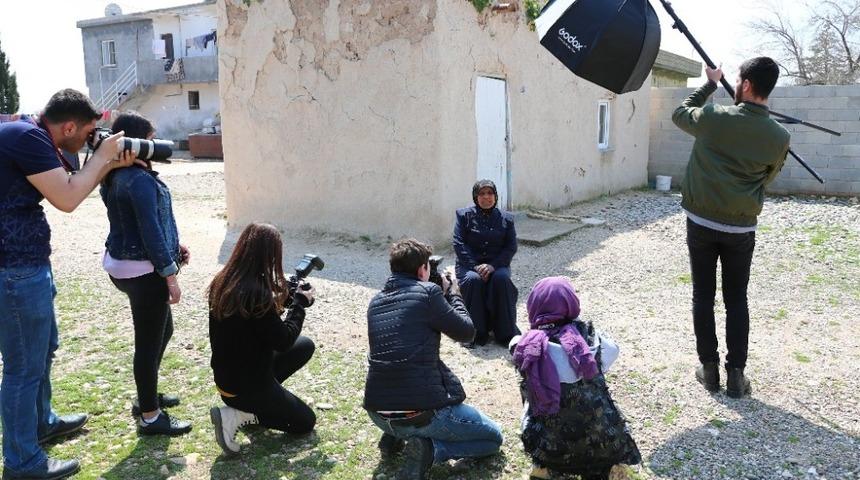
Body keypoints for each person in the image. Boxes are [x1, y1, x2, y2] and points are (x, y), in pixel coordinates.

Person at [0, 89, 135, 479]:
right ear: (69, 126)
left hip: (26, 264)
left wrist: (101, 161)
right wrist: (104, 158)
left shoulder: (31, 136)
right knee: (22, 367)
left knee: (43, 351)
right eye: (89, 133)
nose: (91, 140)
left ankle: (41, 422)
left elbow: (73, 179)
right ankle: (23, 462)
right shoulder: (28, 138)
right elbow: (69, 196)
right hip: (15, 269)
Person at [672, 57, 790, 398]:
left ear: (748, 85)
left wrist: (710, 84)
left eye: (738, 80)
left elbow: (680, 113)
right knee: (737, 298)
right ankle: (736, 375)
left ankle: (709, 370)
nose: (735, 84)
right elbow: (767, 178)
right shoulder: (780, 137)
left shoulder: (714, 117)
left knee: (703, 295)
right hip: (741, 229)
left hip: (701, 222)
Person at [364, 238, 502, 480]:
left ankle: (396, 436)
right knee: (493, 439)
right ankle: (431, 449)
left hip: (377, 413)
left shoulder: (375, 302)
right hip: (421, 415)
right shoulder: (428, 293)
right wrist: (454, 293)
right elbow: (467, 332)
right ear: (422, 270)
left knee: (403, 366)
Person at [100, 111, 191, 435]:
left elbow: (141, 225)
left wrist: (174, 247)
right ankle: (149, 415)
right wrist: (170, 276)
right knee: (148, 344)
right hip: (144, 271)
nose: (156, 147)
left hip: (125, 266)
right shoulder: (138, 180)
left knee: (163, 332)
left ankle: (147, 393)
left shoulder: (114, 176)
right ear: (136, 144)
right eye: (150, 140)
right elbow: (150, 232)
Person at [511, 277, 640, 480]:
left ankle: (545, 469)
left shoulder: (524, 347)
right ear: (571, 304)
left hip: (549, 447)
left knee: (530, 402)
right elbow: (614, 349)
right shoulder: (593, 342)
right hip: (603, 444)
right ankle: (603, 470)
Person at [208, 223, 317, 456]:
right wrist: (299, 305)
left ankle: (261, 402)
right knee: (305, 422)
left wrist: (283, 298)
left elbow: (255, 325)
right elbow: (283, 340)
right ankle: (240, 414)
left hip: (228, 379)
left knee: (305, 345)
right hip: (247, 387)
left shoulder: (224, 281)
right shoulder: (257, 295)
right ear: (269, 256)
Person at [453, 179, 520, 347]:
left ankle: (505, 333)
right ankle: (476, 333)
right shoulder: (463, 216)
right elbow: (458, 244)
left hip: (497, 264)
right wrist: (475, 266)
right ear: (476, 197)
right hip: (469, 265)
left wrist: (493, 265)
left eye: (490, 193)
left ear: (495, 196)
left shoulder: (506, 219)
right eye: (481, 194)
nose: (486, 197)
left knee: (501, 279)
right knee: (473, 280)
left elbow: (510, 247)